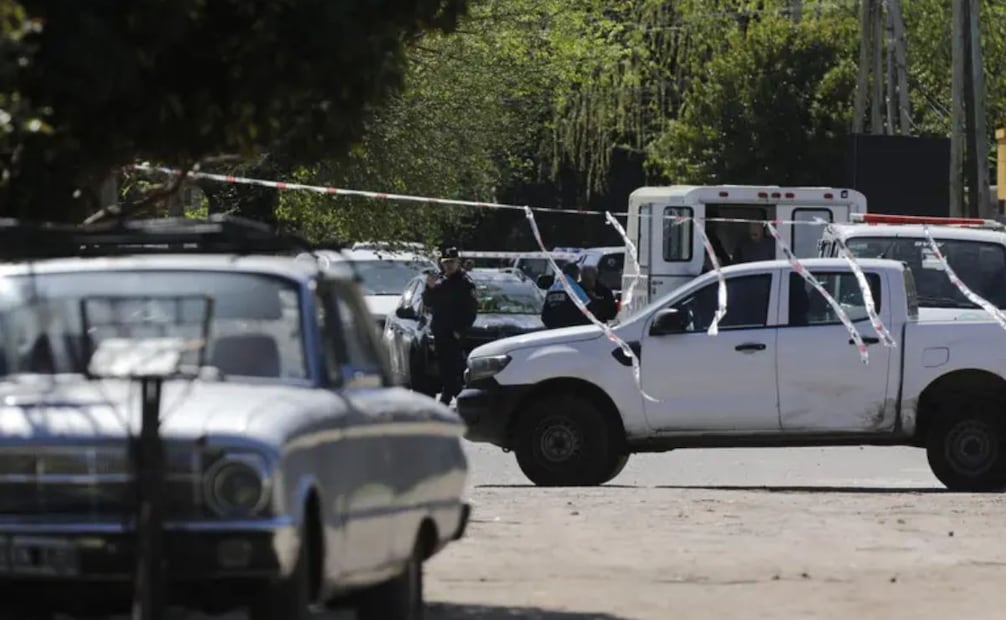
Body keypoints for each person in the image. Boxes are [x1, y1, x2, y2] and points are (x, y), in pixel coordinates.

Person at [422, 247, 478, 405]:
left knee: (453, 368)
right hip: (440, 331)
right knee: (444, 368)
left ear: (458, 262)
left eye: (452, 262)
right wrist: (429, 288)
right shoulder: (439, 281)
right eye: (446, 262)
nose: (448, 265)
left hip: (455, 333)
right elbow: (428, 302)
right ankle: (450, 396)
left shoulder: (465, 283)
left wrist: (460, 331)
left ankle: (455, 398)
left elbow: (471, 310)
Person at [541, 263, 592, 329]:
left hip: (554, 330)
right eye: (578, 274)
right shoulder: (574, 287)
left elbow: (545, 315)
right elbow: (588, 308)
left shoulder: (552, 288)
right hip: (571, 328)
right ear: (575, 273)